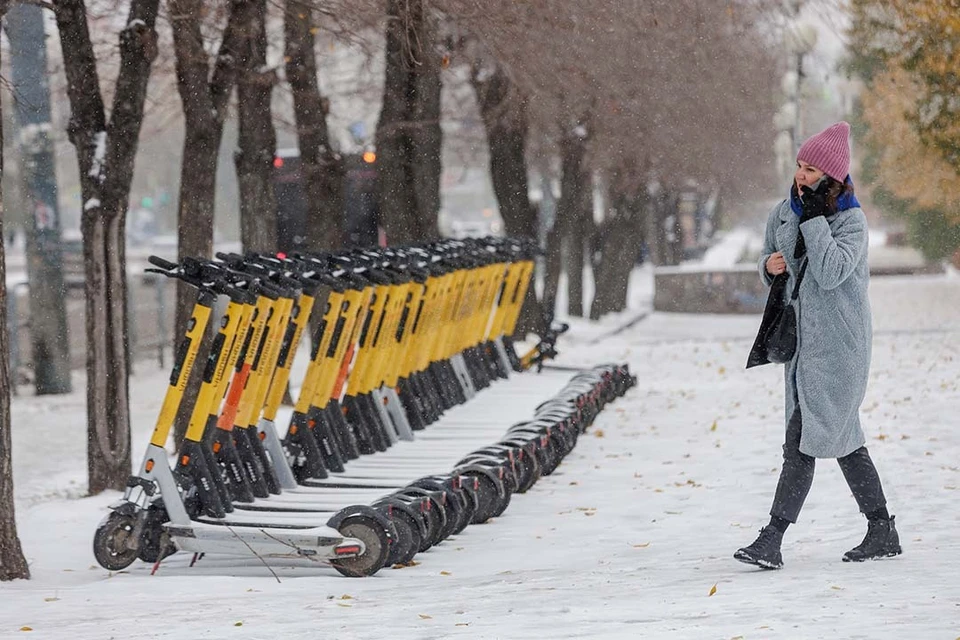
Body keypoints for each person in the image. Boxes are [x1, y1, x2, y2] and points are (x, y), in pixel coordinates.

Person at [735, 121, 901, 569]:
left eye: (811, 169)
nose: (801, 175)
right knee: (843, 440)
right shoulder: (783, 212)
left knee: (802, 439)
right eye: (799, 165)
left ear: (831, 176)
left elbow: (829, 272)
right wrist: (767, 267)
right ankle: (882, 528)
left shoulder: (851, 222)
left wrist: (813, 221)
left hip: (841, 348)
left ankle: (772, 537)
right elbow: (773, 260)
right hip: (801, 346)